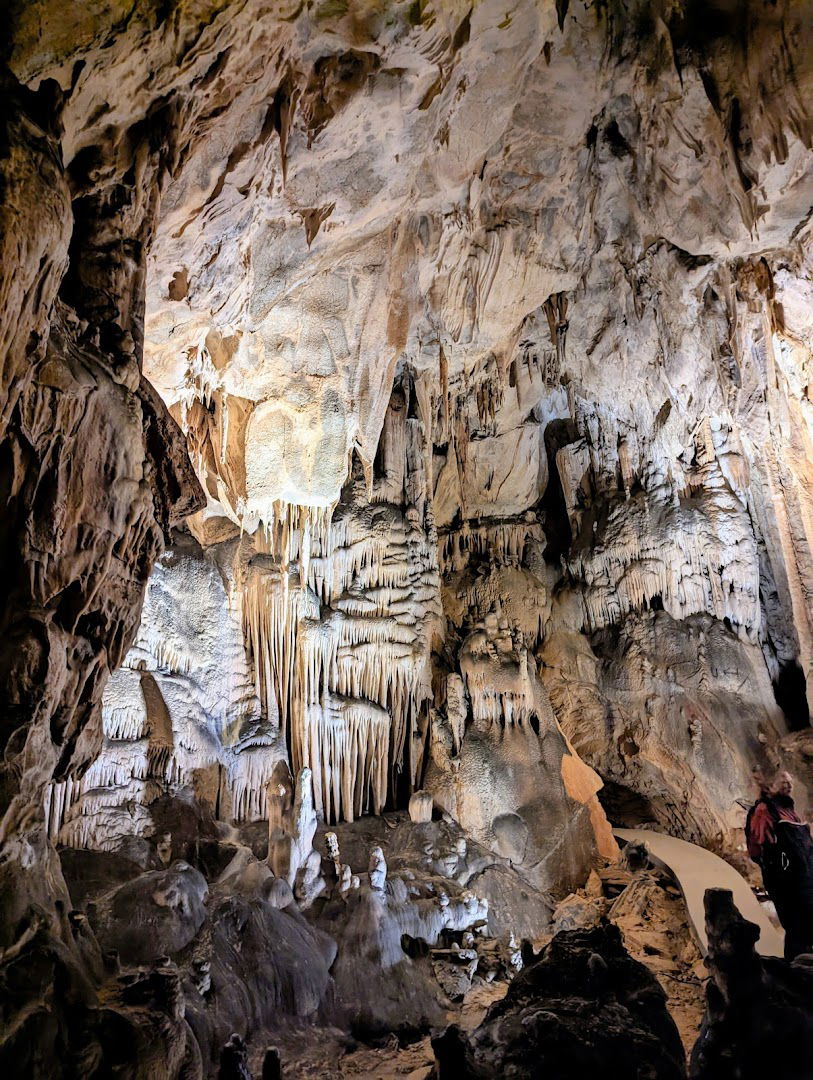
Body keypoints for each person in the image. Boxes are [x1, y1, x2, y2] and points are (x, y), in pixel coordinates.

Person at [746, 769, 813, 959]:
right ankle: (795, 970)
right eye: (783, 780)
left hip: (805, 878)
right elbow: (756, 849)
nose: (788, 783)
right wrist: (777, 867)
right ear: (771, 785)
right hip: (786, 882)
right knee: (796, 926)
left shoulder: (791, 811)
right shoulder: (764, 810)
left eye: (790, 781)